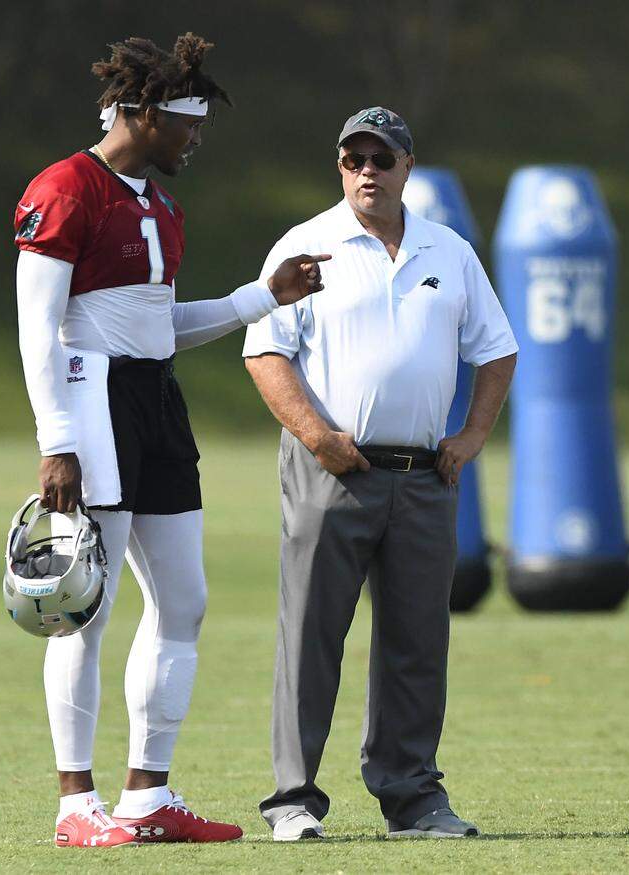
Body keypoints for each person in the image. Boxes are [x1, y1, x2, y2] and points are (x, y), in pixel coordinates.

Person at [14, 34, 329, 848]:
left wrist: (263, 297)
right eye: (188, 123)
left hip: (156, 399)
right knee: (86, 609)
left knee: (183, 600)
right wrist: (58, 441)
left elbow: (160, 329)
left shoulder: (159, 205)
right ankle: (74, 805)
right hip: (94, 403)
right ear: (144, 115)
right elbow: (37, 329)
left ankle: (146, 796)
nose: (196, 138)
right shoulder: (64, 187)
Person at [242, 107, 517, 841]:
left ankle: (414, 797)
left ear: (407, 167)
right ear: (340, 167)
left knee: (418, 641)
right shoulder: (308, 244)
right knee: (311, 634)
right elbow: (266, 352)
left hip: (425, 474)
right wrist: (316, 434)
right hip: (332, 468)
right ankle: (293, 798)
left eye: (381, 158)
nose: (367, 170)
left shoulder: (448, 250)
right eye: (353, 158)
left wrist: (473, 433)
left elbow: (496, 349)